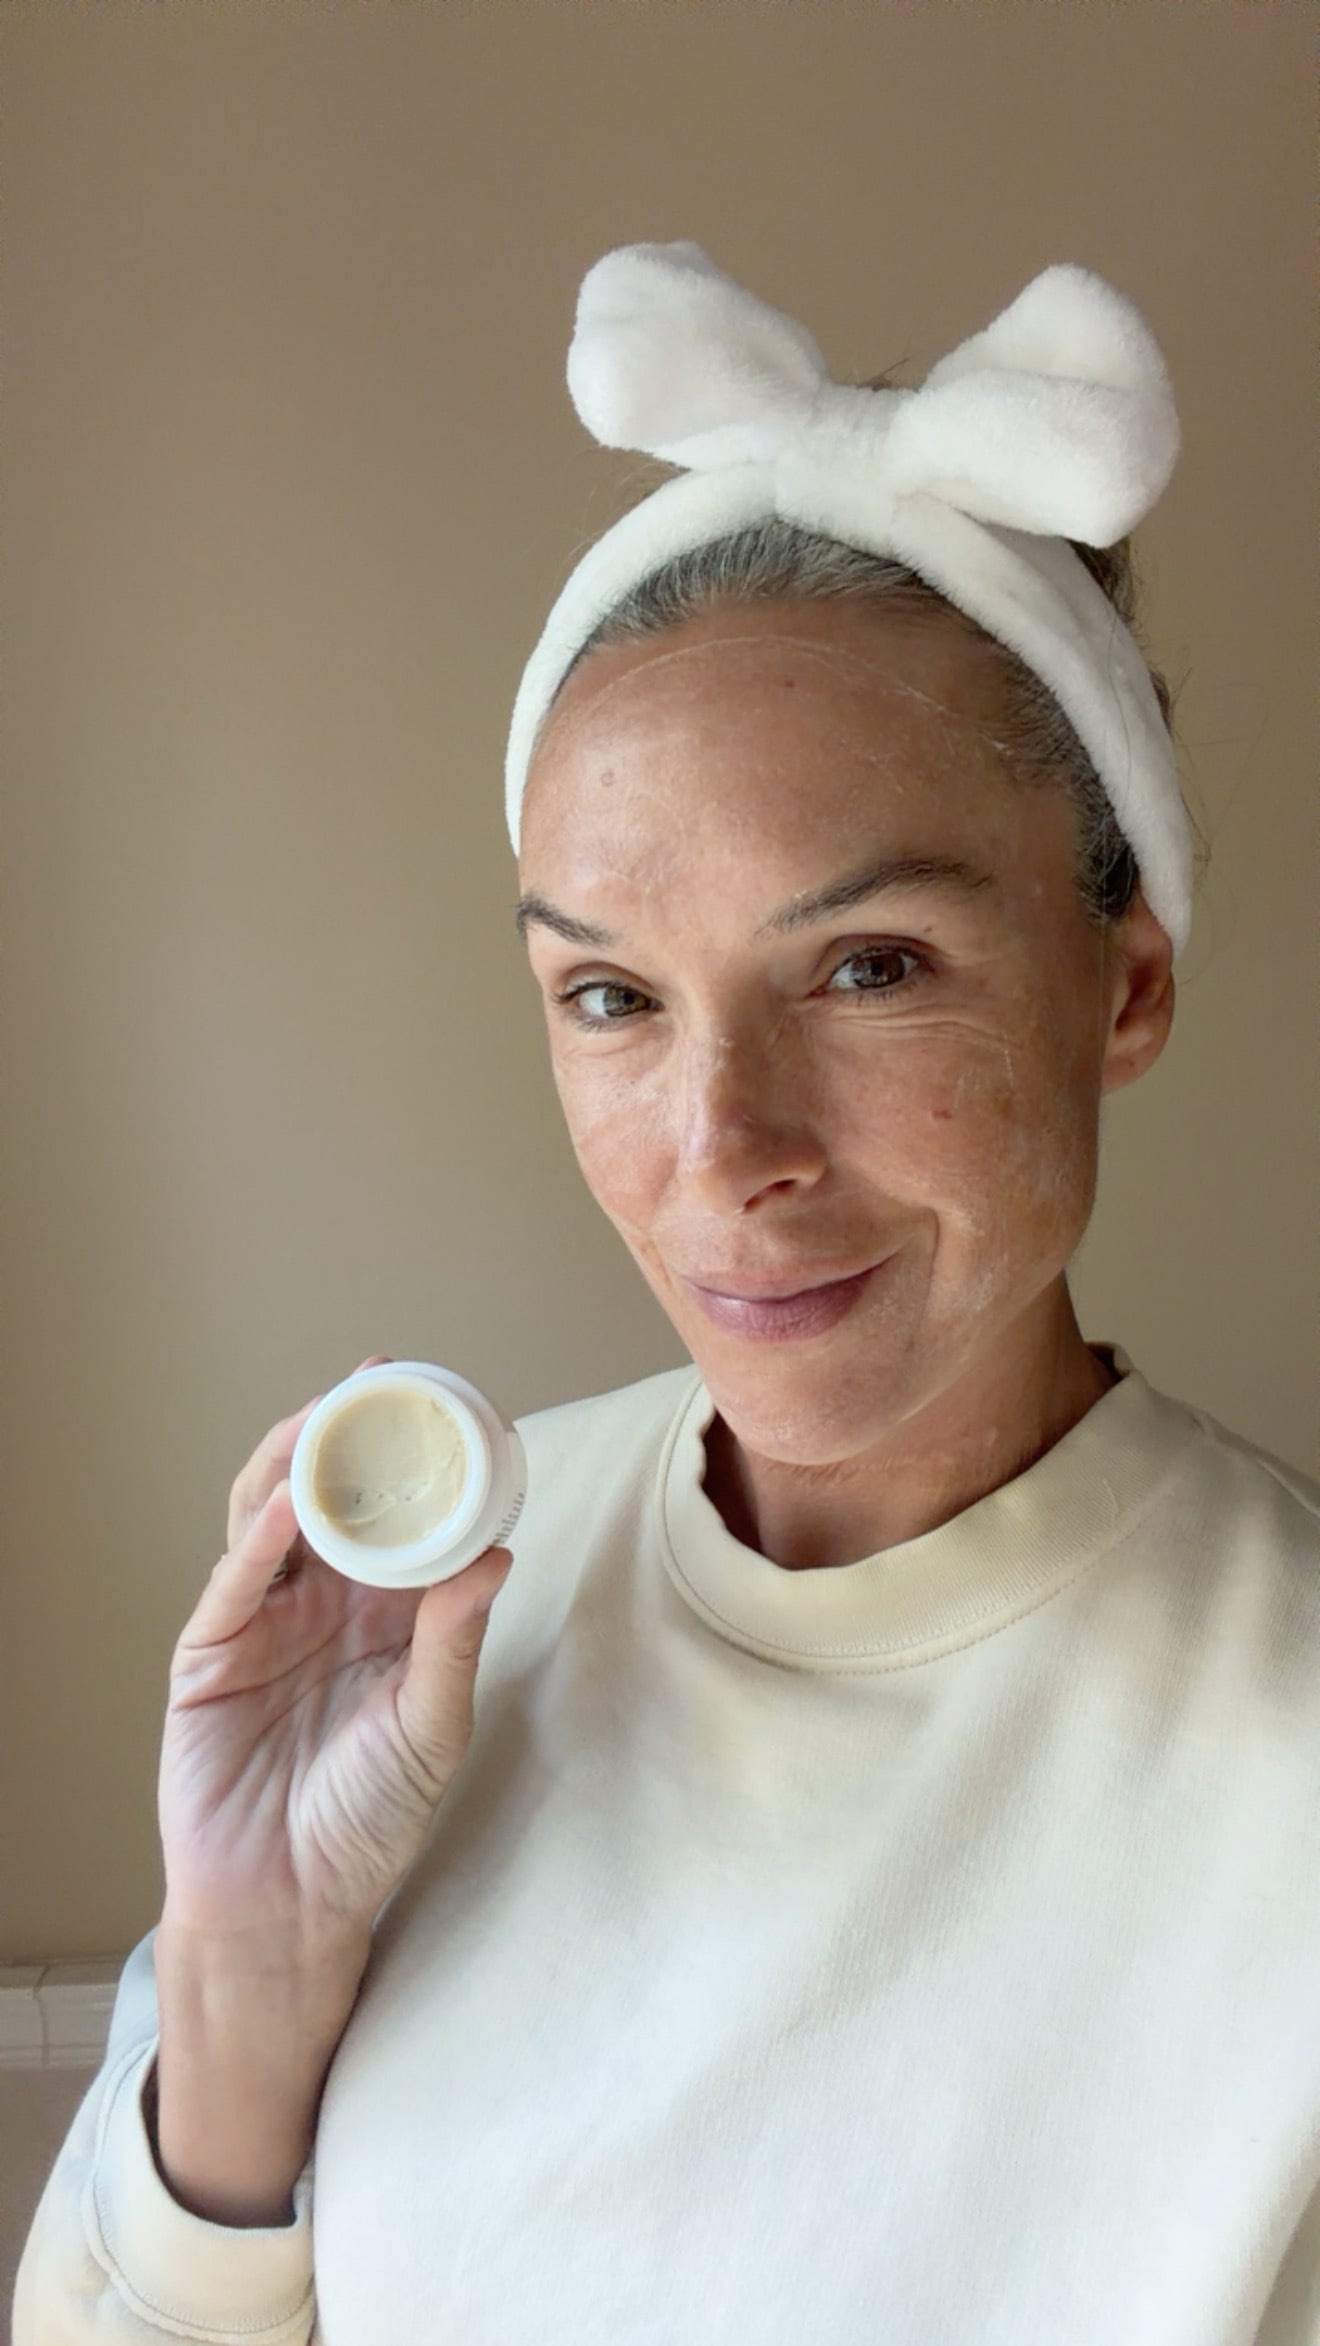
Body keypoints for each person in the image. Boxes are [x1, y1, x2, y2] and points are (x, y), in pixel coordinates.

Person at [15, 245, 1320, 2346]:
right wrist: (247, 1986)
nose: (721, 1150)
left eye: (868, 967)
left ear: (1127, 980)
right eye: (611, 996)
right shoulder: (443, 1635)